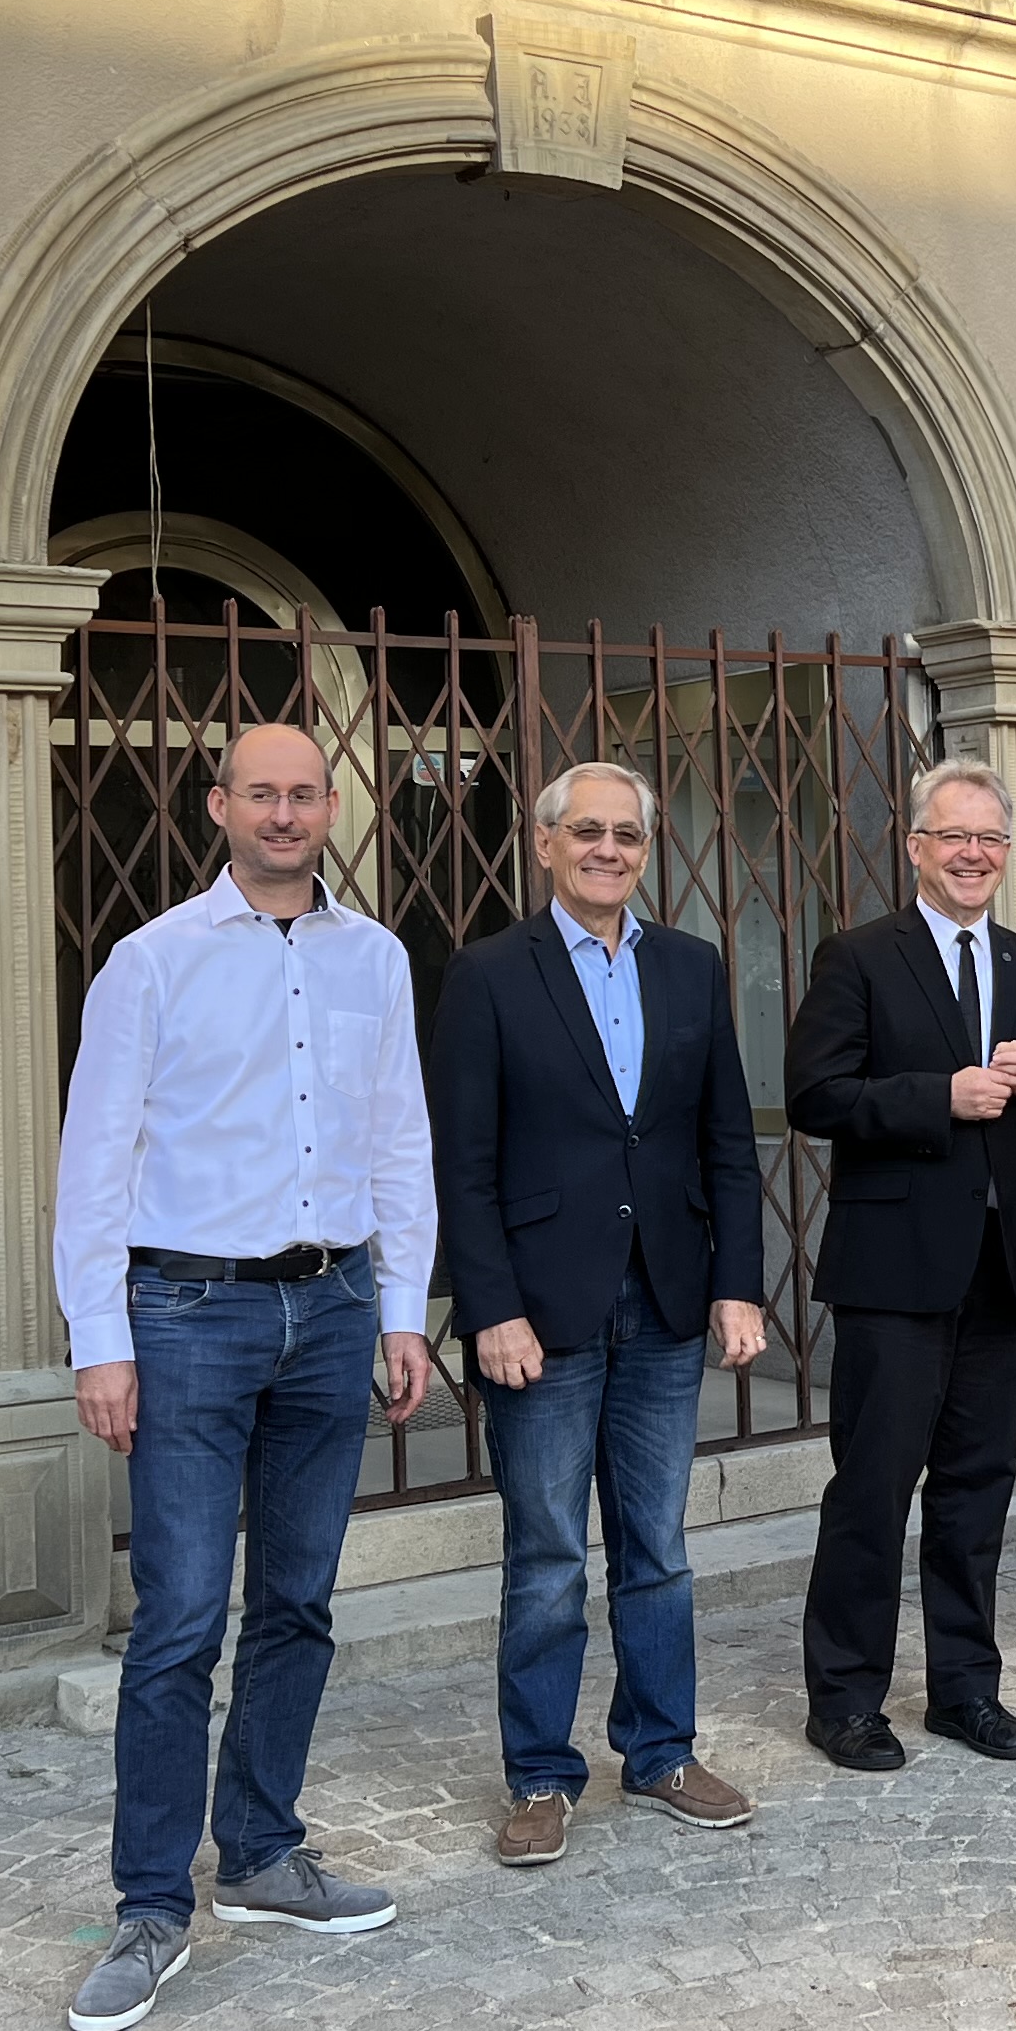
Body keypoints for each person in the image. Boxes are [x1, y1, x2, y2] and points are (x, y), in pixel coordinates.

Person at [51, 721, 437, 2031]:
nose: (283, 814)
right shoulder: (152, 963)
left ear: (332, 808)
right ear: (217, 806)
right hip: (187, 1314)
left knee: (298, 1601)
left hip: (331, 1308)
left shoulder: (375, 959)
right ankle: (151, 1907)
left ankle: (263, 1852)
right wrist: (99, 1338)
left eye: (304, 794)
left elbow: (399, 1141)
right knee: (177, 1617)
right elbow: (94, 1159)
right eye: (259, 793)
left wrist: (402, 1311)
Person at [427, 761, 768, 1866]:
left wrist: (737, 1283)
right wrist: (489, 1308)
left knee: (657, 1545)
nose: (608, 849)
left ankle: (662, 1751)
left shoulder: (689, 965)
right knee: (547, 1556)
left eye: (626, 833)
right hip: (541, 1312)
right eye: (587, 832)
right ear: (545, 844)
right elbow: (462, 1161)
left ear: (646, 848)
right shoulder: (488, 974)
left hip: (666, 1296)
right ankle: (540, 1773)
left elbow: (725, 1141)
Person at [785, 760, 1016, 1771]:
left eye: (990, 839)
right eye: (954, 836)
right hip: (894, 1272)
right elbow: (814, 1094)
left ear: (1006, 853)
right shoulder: (857, 956)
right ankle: (845, 1699)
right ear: (917, 847)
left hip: (1002, 1269)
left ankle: (966, 1689)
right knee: (873, 1489)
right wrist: (938, 1097)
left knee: (977, 1488)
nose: (973, 854)